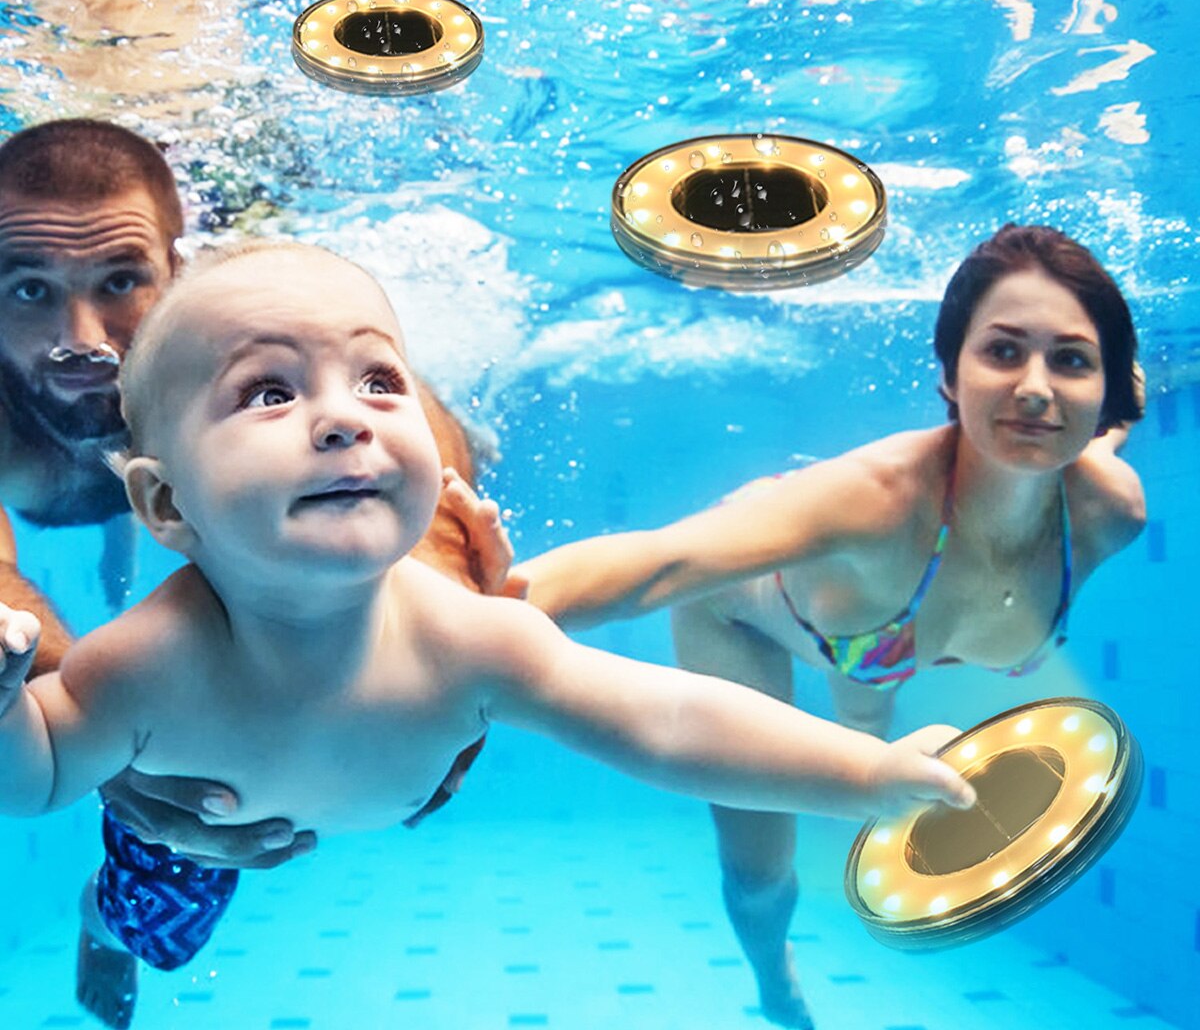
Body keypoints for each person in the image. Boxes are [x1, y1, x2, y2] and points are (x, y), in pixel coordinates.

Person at [0, 241, 976, 1023]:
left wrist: (866, 776)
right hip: (196, 834)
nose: (345, 418)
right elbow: (37, 777)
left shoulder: (466, 636)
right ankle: (100, 923)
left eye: (380, 379)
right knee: (154, 928)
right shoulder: (144, 665)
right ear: (166, 503)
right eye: (269, 392)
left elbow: (668, 721)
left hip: (355, 786)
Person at [514, 224, 1146, 1029]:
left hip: (875, 626)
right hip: (746, 606)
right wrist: (458, 608)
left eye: (1071, 360)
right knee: (758, 868)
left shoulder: (1108, 512)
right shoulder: (873, 499)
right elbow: (659, 564)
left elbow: (1100, 430)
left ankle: (864, 706)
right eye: (1002, 352)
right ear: (949, 374)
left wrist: (1116, 403)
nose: (1033, 388)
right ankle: (772, 976)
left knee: (871, 687)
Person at [0, 118, 515, 1028]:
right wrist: (100, 724)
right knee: (167, 910)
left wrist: (436, 633)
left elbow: (418, 445)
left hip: (202, 528)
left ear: (178, 273)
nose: (78, 340)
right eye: (27, 290)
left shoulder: (229, 340)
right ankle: (106, 922)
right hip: (166, 526)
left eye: (122, 282)